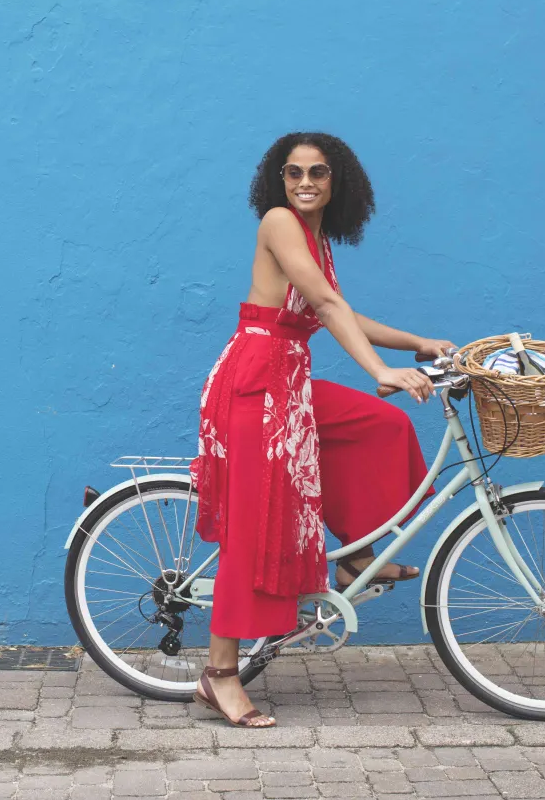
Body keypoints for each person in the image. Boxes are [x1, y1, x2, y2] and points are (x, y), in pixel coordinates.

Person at [189, 132, 455, 728]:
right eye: (293, 172)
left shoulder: (317, 237)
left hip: (288, 382)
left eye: (317, 173)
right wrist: (381, 369)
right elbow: (326, 305)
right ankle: (220, 675)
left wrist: (416, 343)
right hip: (254, 385)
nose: (305, 182)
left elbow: (338, 306)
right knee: (252, 528)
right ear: (278, 181)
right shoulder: (280, 222)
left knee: (380, 424)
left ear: (338, 181)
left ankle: (356, 557)